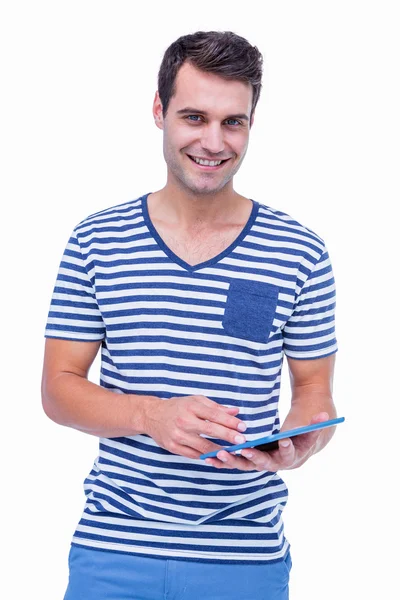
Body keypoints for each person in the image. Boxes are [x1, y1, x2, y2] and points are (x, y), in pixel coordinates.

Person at [42, 30, 338, 600]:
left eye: (234, 122)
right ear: (159, 111)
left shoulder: (301, 250)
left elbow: (314, 391)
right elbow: (58, 390)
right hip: (114, 549)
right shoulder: (95, 241)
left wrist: (306, 439)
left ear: (252, 122)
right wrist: (151, 415)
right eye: (194, 117)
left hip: (245, 558)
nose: (213, 141)